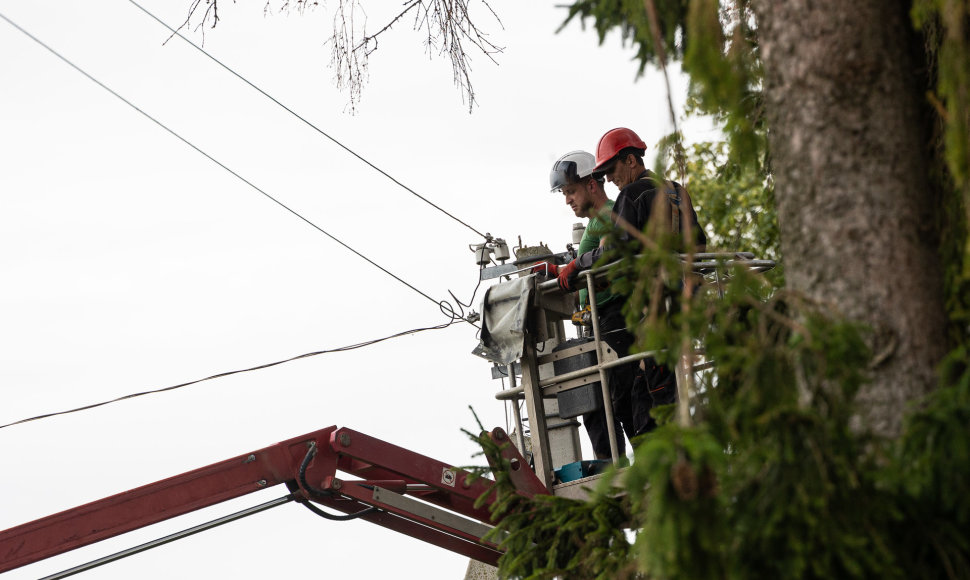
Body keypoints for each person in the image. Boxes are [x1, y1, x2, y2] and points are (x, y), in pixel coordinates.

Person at [540, 129, 707, 451]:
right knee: (659, 390)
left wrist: (579, 265)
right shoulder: (674, 191)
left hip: (649, 313)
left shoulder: (632, 195)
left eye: (612, 171)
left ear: (631, 161)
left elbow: (616, 249)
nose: (612, 180)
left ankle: (652, 468)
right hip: (679, 306)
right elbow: (698, 245)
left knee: (640, 398)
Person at [543, 150, 627, 459]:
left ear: (592, 185)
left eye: (571, 191)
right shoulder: (597, 222)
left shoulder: (608, 216)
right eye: (565, 193)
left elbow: (611, 250)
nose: (567, 200)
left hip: (614, 320)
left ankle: (615, 467)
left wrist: (577, 264)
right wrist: (564, 268)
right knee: (599, 402)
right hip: (598, 322)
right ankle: (611, 465)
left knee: (615, 400)